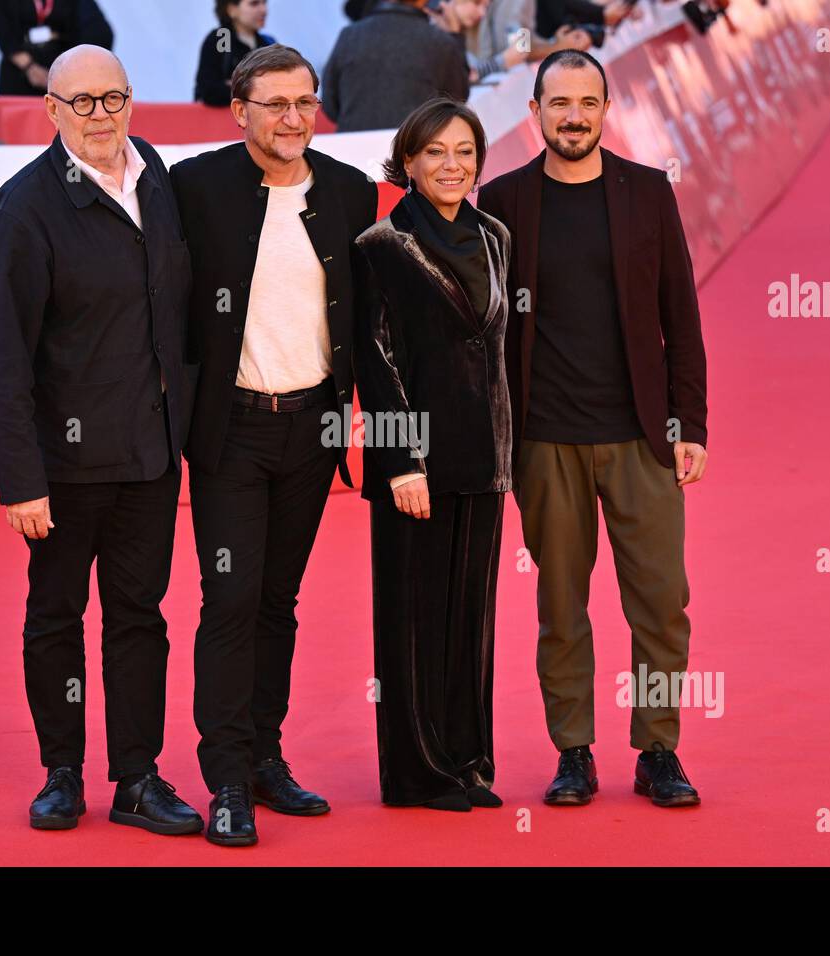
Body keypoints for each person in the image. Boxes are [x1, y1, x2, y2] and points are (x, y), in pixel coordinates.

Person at [0, 45, 204, 836]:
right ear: (52, 110)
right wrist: (20, 480)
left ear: (132, 102)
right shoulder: (22, 210)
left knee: (141, 618)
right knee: (56, 617)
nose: (101, 114)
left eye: (113, 98)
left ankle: (138, 777)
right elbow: (2, 358)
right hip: (65, 468)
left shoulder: (159, 179)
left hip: (150, 455)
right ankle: (62, 772)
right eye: (83, 102)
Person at [478, 50, 708, 809]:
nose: (573, 116)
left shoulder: (646, 194)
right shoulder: (503, 201)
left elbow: (681, 313)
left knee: (660, 599)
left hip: (641, 436)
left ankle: (658, 749)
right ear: (535, 110)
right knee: (560, 604)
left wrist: (691, 422)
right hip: (546, 439)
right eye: (558, 103)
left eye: (587, 102)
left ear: (606, 108)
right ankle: (572, 750)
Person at [169, 45, 378, 847]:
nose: (294, 118)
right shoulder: (196, 189)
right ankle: (224, 779)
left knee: (276, 604)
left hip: (312, 431)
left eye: (305, 102)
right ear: (241, 112)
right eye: (276, 104)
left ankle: (264, 755)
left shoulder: (351, 192)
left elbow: (372, 319)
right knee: (229, 601)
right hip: (231, 432)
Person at [353, 97, 512, 812]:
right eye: (437, 153)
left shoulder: (496, 236)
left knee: (472, 617)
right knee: (413, 619)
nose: (453, 165)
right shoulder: (381, 244)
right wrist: (401, 462)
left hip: (485, 457)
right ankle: (417, 773)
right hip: (415, 465)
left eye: (465, 152)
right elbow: (374, 358)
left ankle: (468, 759)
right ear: (409, 163)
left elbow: (500, 348)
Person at [321, 0, 469, 133]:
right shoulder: (440, 42)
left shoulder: (349, 36)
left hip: (352, 151)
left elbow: (330, 105)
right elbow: (456, 102)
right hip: (414, 150)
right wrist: (455, 36)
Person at [0, 0, 114, 97]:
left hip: (63, 74)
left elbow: (100, 33)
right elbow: (3, 33)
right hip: (19, 72)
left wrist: (69, 70)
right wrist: (30, 67)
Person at [194, 0, 276, 107]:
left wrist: (237, 85)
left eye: (264, 3)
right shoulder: (221, 39)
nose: (263, 10)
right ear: (231, 9)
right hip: (222, 121)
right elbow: (209, 91)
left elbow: (277, 88)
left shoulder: (268, 43)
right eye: (254, 3)